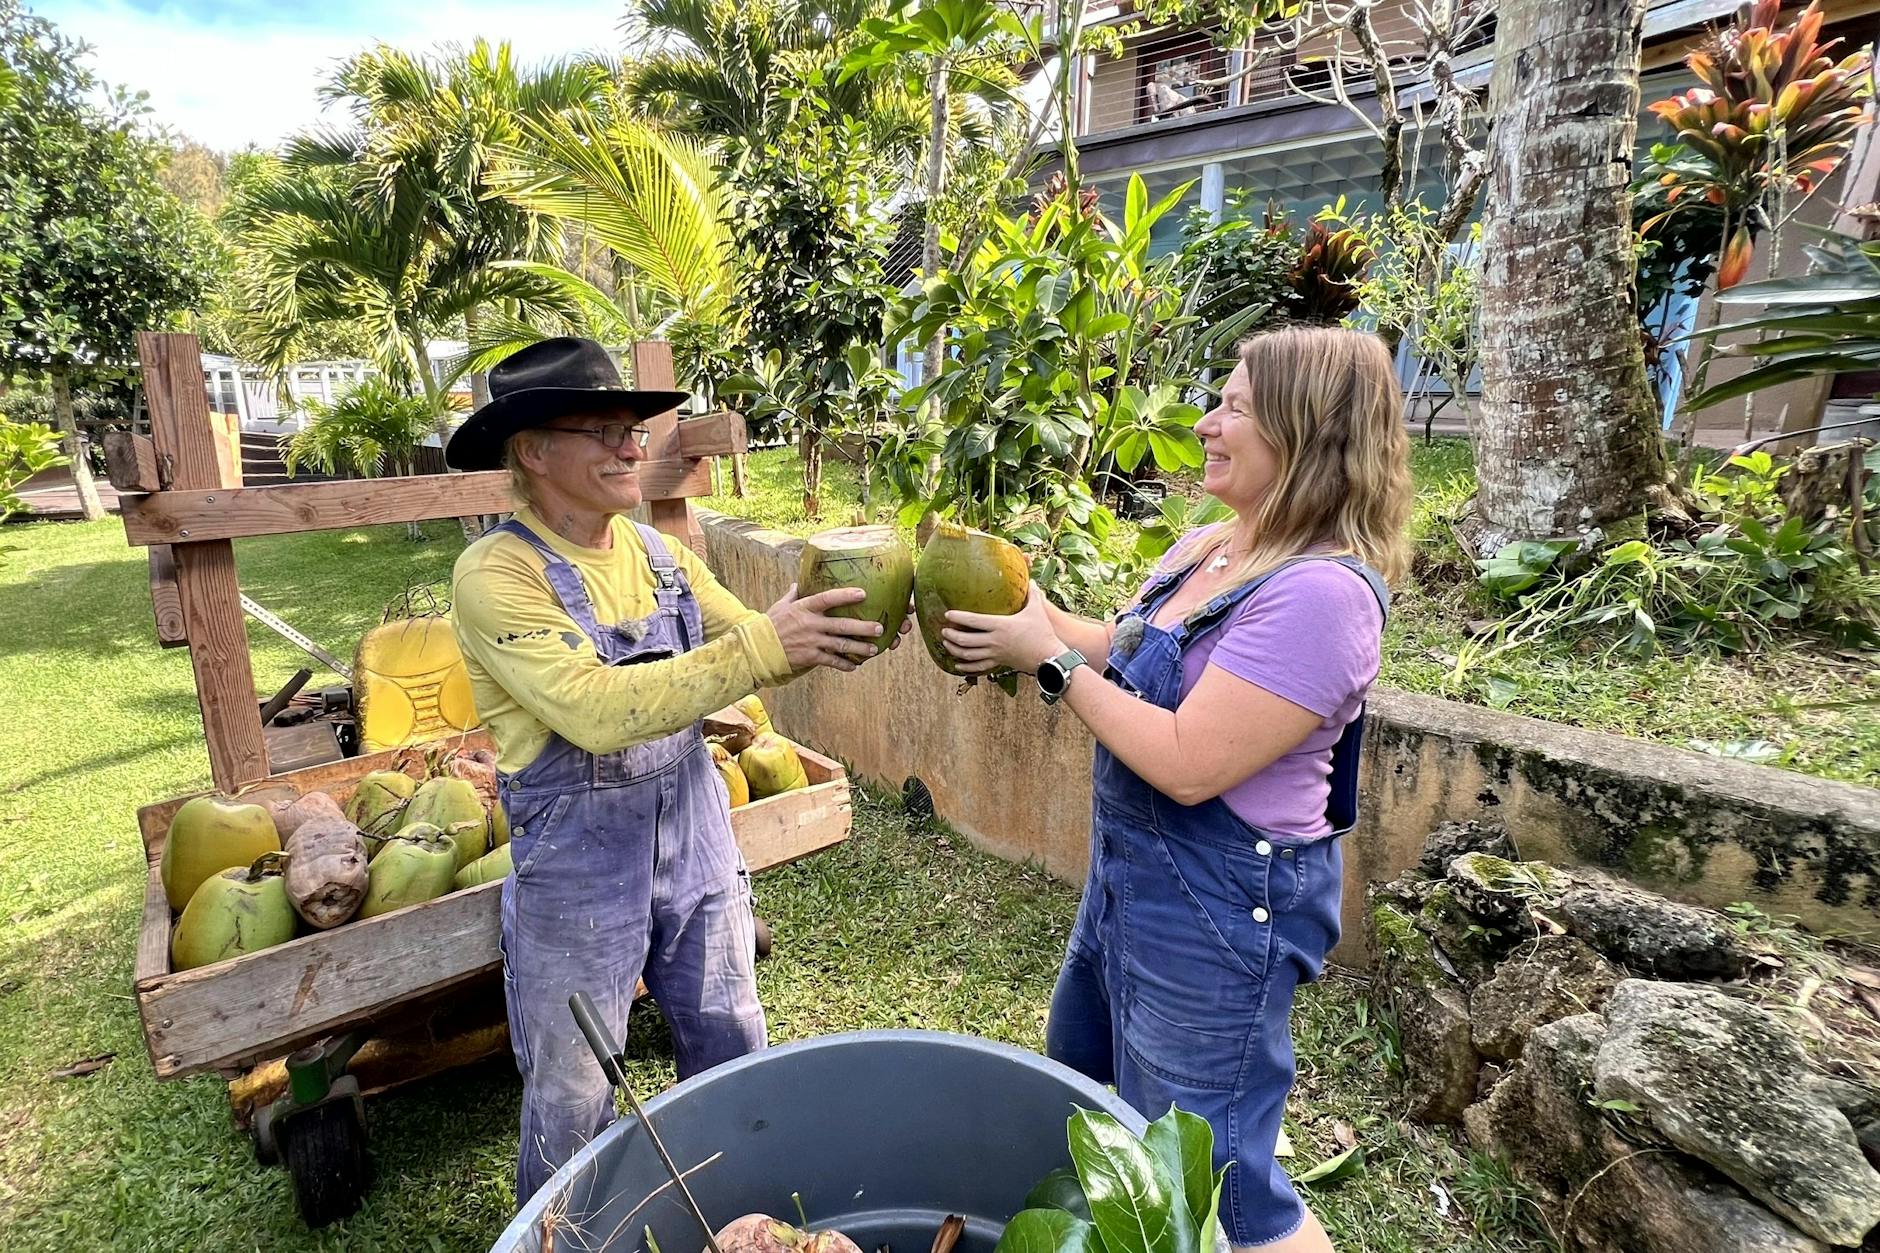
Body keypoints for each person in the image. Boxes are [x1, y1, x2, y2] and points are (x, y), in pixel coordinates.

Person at [941, 325, 1411, 1252]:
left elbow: (1191, 760)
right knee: (1095, 1098)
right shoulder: (1212, 546)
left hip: (1222, 911)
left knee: (1218, 1181)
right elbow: (1125, 647)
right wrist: (1040, 625)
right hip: (1131, 884)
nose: (1205, 422)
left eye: (1235, 406)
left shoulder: (1323, 595)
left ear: (1306, 430)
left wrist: (1047, 666)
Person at [445, 337, 906, 1205]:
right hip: (578, 878)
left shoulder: (657, 555)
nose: (632, 446)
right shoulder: (496, 573)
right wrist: (770, 641)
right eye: (607, 430)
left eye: (634, 430)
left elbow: (761, 647)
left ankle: (746, 1211)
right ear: (536, 451)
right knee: (573, 1093)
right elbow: (588, 708)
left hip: (696, 844)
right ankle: (563, 1231)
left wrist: (852, 624)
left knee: (732, 1042)